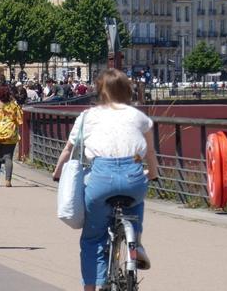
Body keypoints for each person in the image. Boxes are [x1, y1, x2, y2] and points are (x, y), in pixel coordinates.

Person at [52, 69, 159, 291]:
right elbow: (150, 153)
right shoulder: (139, 117)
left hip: (101, 177)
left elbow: (69, 148)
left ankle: (92, 287)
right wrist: (154, 173)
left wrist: (58, 172)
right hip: (133, 173)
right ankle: (135, 240)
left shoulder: (88, 116)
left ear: (100, 91)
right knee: (137, 200)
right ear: (127, 91)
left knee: (93, 239)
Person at [0, 84, 23, 187]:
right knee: (8, 157)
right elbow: (19, 120)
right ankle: (8, 180)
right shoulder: (14, 105)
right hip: (10, 134)